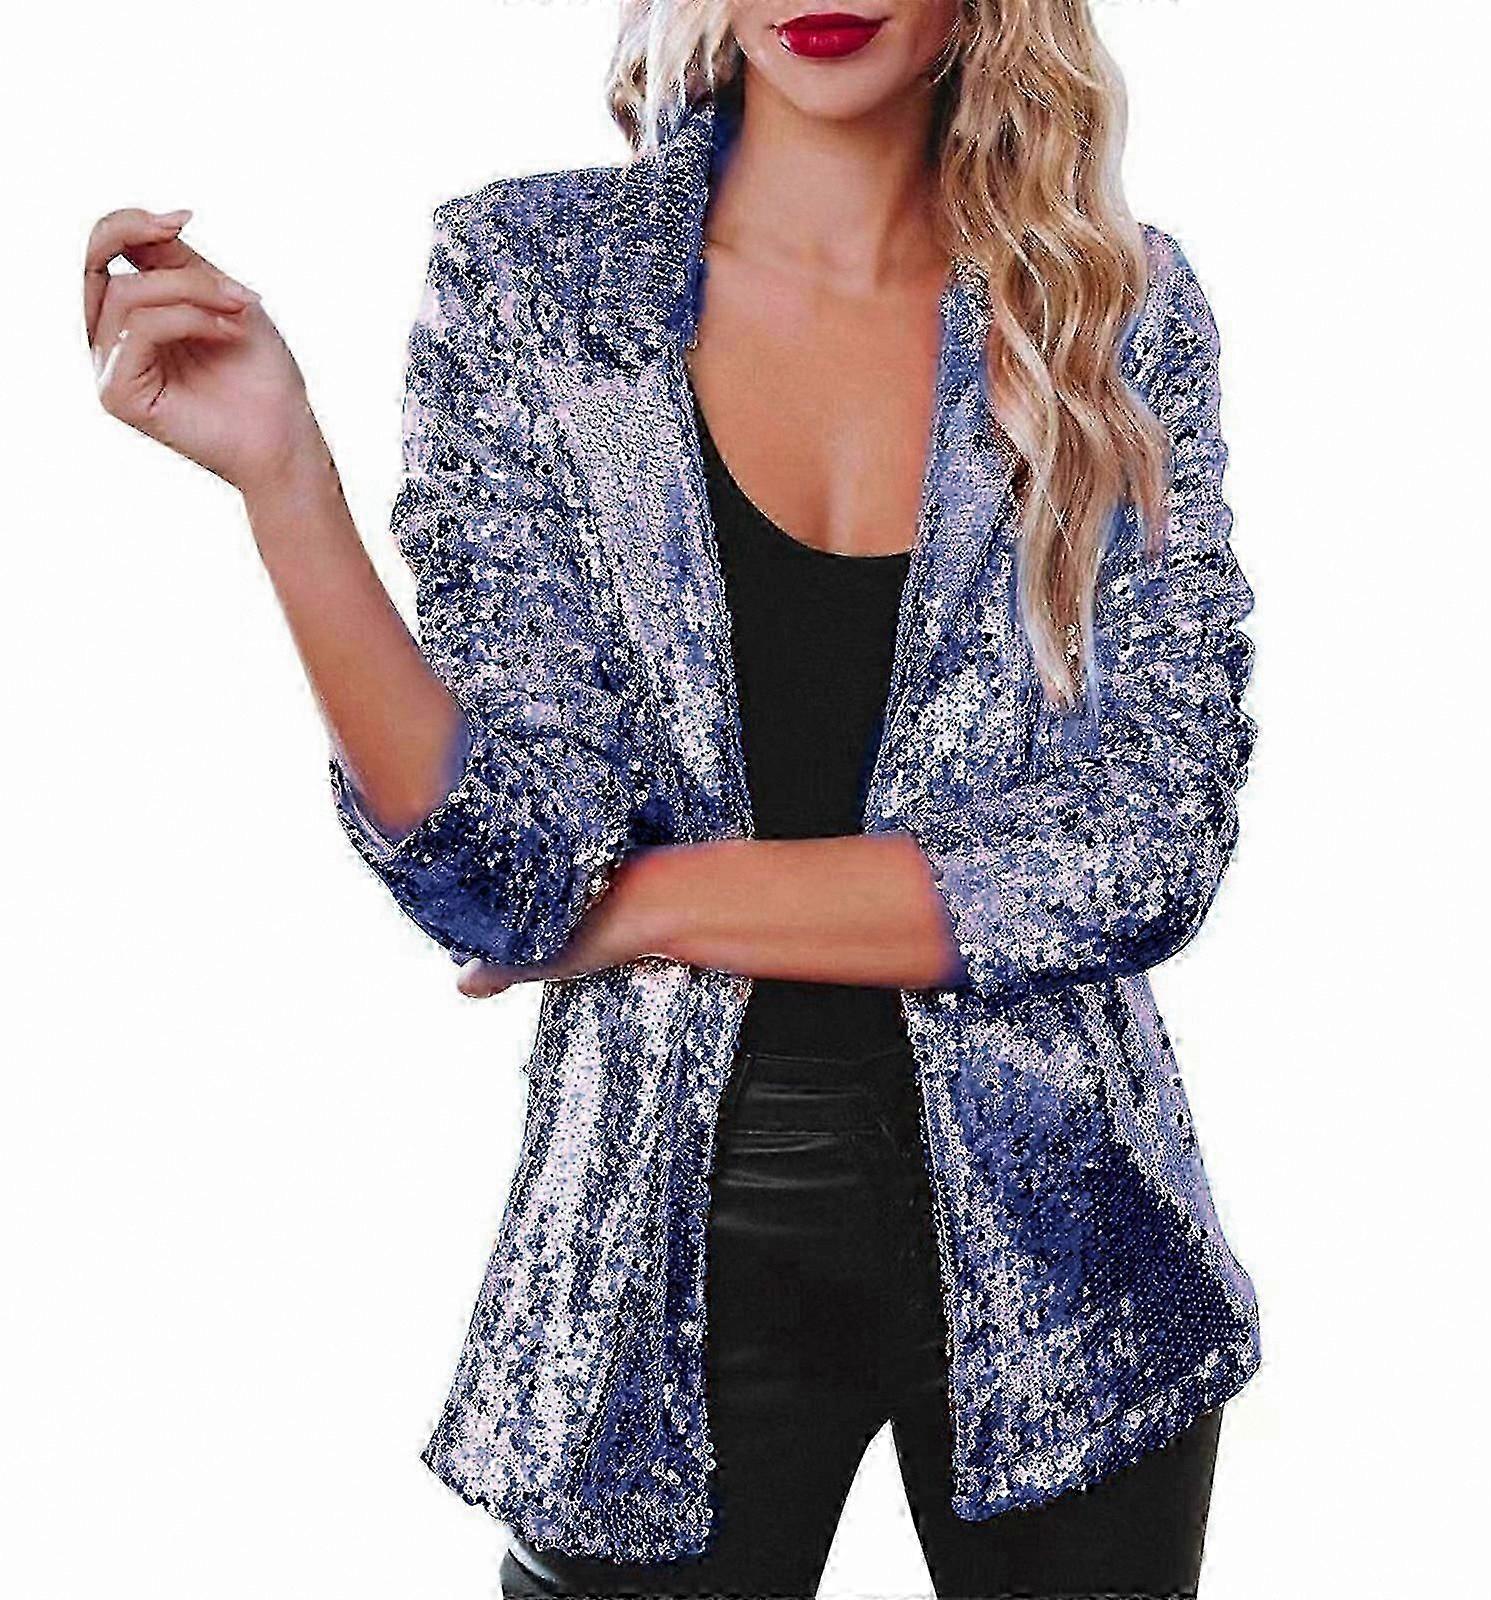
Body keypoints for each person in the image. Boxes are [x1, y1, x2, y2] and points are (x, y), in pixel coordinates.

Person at [85, 2, 1260, 1594]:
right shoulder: (536, 284)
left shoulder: (1111, 304)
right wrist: (284, 475)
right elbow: (503, 880)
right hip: (653, 1253)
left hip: (1071, 1257)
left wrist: (642, 905)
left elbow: (1147, 842)